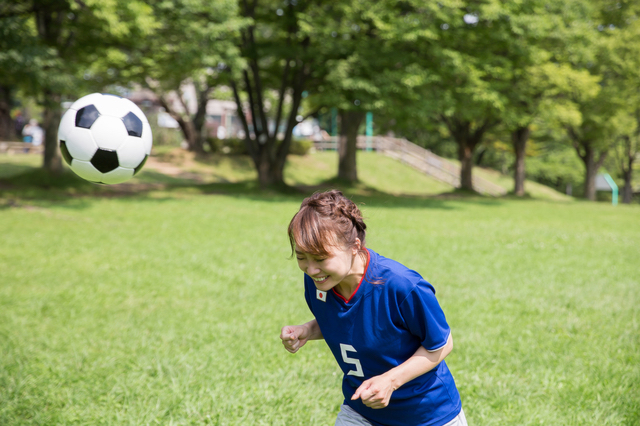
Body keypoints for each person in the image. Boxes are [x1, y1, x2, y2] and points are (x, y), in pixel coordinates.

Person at [280, 190, 466, 426]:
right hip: (362, 412)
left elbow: (441, 344)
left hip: (428, 415)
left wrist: (390, 381)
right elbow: (343, 319)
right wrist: (307, 330)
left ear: (355, 246)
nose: (311, 269)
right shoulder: (320, 282)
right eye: (301, 257)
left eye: (320, 258)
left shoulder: (402, 286)